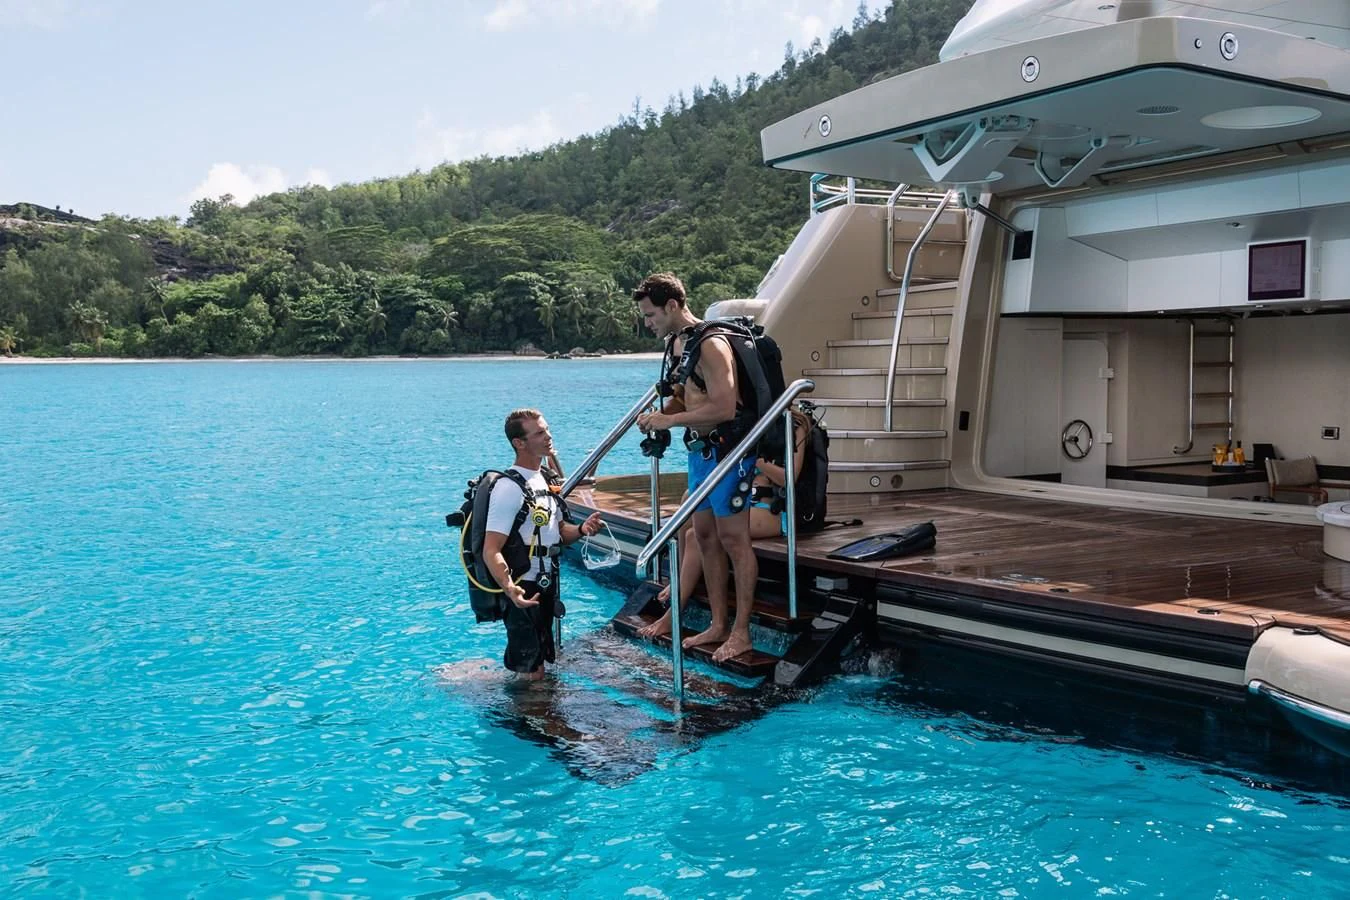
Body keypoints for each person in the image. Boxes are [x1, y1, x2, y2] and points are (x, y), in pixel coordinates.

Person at [633, 272, 759, 664]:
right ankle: (718, 624)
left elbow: (724, 407)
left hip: (729, 451)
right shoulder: (677, 345)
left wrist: (670, 420)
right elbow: (686, 398)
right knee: (703, 535)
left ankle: (742, 632)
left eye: (651, 314)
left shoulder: (711, 345)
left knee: (734, 539)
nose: (648, 322)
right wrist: (658, 416)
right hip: (700, 452)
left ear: (672, 306)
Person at [640, 408, 812, 622]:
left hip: (770, 510)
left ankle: (675, 609)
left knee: (696, 536)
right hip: (741, 499)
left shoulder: (794, 424)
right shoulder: (745, 418)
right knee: (689, 500)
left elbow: (788, 478)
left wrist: (753, 457)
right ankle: (681, 578)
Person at [483, 408, 602, 680]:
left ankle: (532, 700)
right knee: (530, 666)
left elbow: (557, 532)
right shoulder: (509, 488)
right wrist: (511, 589)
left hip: (546, 581)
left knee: (541, 661)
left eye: (547, 430)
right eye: (539, 433)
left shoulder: (545, 480)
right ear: (519, 443)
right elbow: (491, 549)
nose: (548, 436)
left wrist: (581, 529)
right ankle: (523, 705)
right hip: (523, 585)